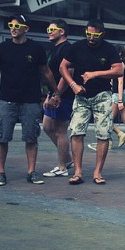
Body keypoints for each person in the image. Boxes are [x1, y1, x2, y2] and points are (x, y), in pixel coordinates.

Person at [0, 14, 60, 186]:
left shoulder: (36, 49)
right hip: (6, 100)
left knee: (31, 137)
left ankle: (31, 172)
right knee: (2, 137)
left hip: (30, 100)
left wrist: (56, 92)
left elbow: (46, 72)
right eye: (11, 25)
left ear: (26, 28)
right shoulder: (2, 48)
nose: (13, 28)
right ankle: (1, 173)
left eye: (17, 26)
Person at [60, 19, 123, 185]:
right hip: (81, 96)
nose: (91, 37)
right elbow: (63, 67)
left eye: (95, 35)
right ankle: (78, 172)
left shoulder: (109, 49)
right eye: (88, 34)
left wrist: (95, 74)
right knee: (76, 132)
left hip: (102, 96)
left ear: (102, 34)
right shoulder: (77, 47)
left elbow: (119, 70)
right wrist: (73, 85)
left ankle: (97, 172)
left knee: (103, 133)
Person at [42, 19, 74, 178]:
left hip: (63, 96)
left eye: (52, 29)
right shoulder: (55, 48)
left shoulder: (67, 48)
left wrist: (56, 95)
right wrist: (49, 95)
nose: (48, 31)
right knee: (47, 126)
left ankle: (62, 167)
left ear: (62, 32)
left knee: (61, 130)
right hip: (53, 94)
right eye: (48, 28)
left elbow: (68, 74)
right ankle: (67, 158)